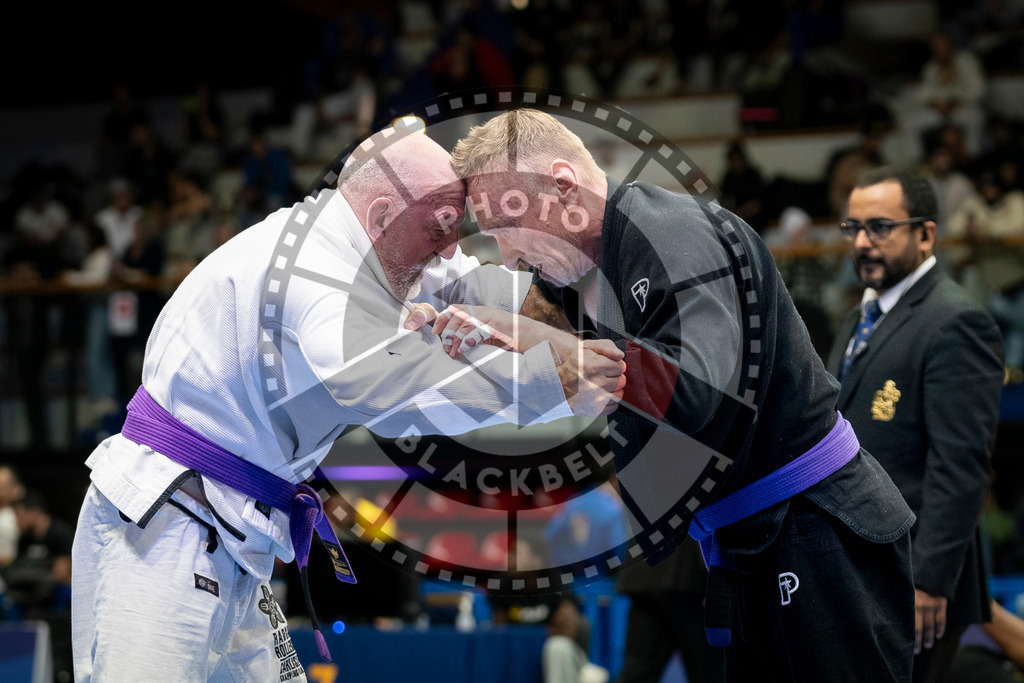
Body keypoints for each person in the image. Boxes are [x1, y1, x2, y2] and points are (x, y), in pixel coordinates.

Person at [71, 123, 626, 681]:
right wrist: (553, 383)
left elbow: (479, 289)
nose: (451, 248)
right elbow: (401, 392)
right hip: (166, 526)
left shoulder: (391, 249)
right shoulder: (311, 270)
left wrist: (600, 304)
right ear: (383, 216)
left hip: (238, 534)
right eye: (440, 230)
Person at [443, 109, 916, 682]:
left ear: (563, 186)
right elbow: (525, 348)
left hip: (818, 526)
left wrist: (543, 339)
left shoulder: (673, 234)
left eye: (505, 225)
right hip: (749, 539)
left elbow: (704, 394)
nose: (509, 254)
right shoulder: (573, 273)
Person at [826, 168, 1005, 683]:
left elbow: (961, 467)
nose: (863, 242)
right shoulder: (857, 318)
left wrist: (929, 581)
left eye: (881, 227)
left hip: (913, 575)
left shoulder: (955, 322)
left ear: (926, 233)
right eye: (853, 228)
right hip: (861, 566)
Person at [614, 538, 724, 683]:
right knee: (710, 673)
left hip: (645, 570)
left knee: (637, 673)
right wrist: (715, 579)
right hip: (689, 575)